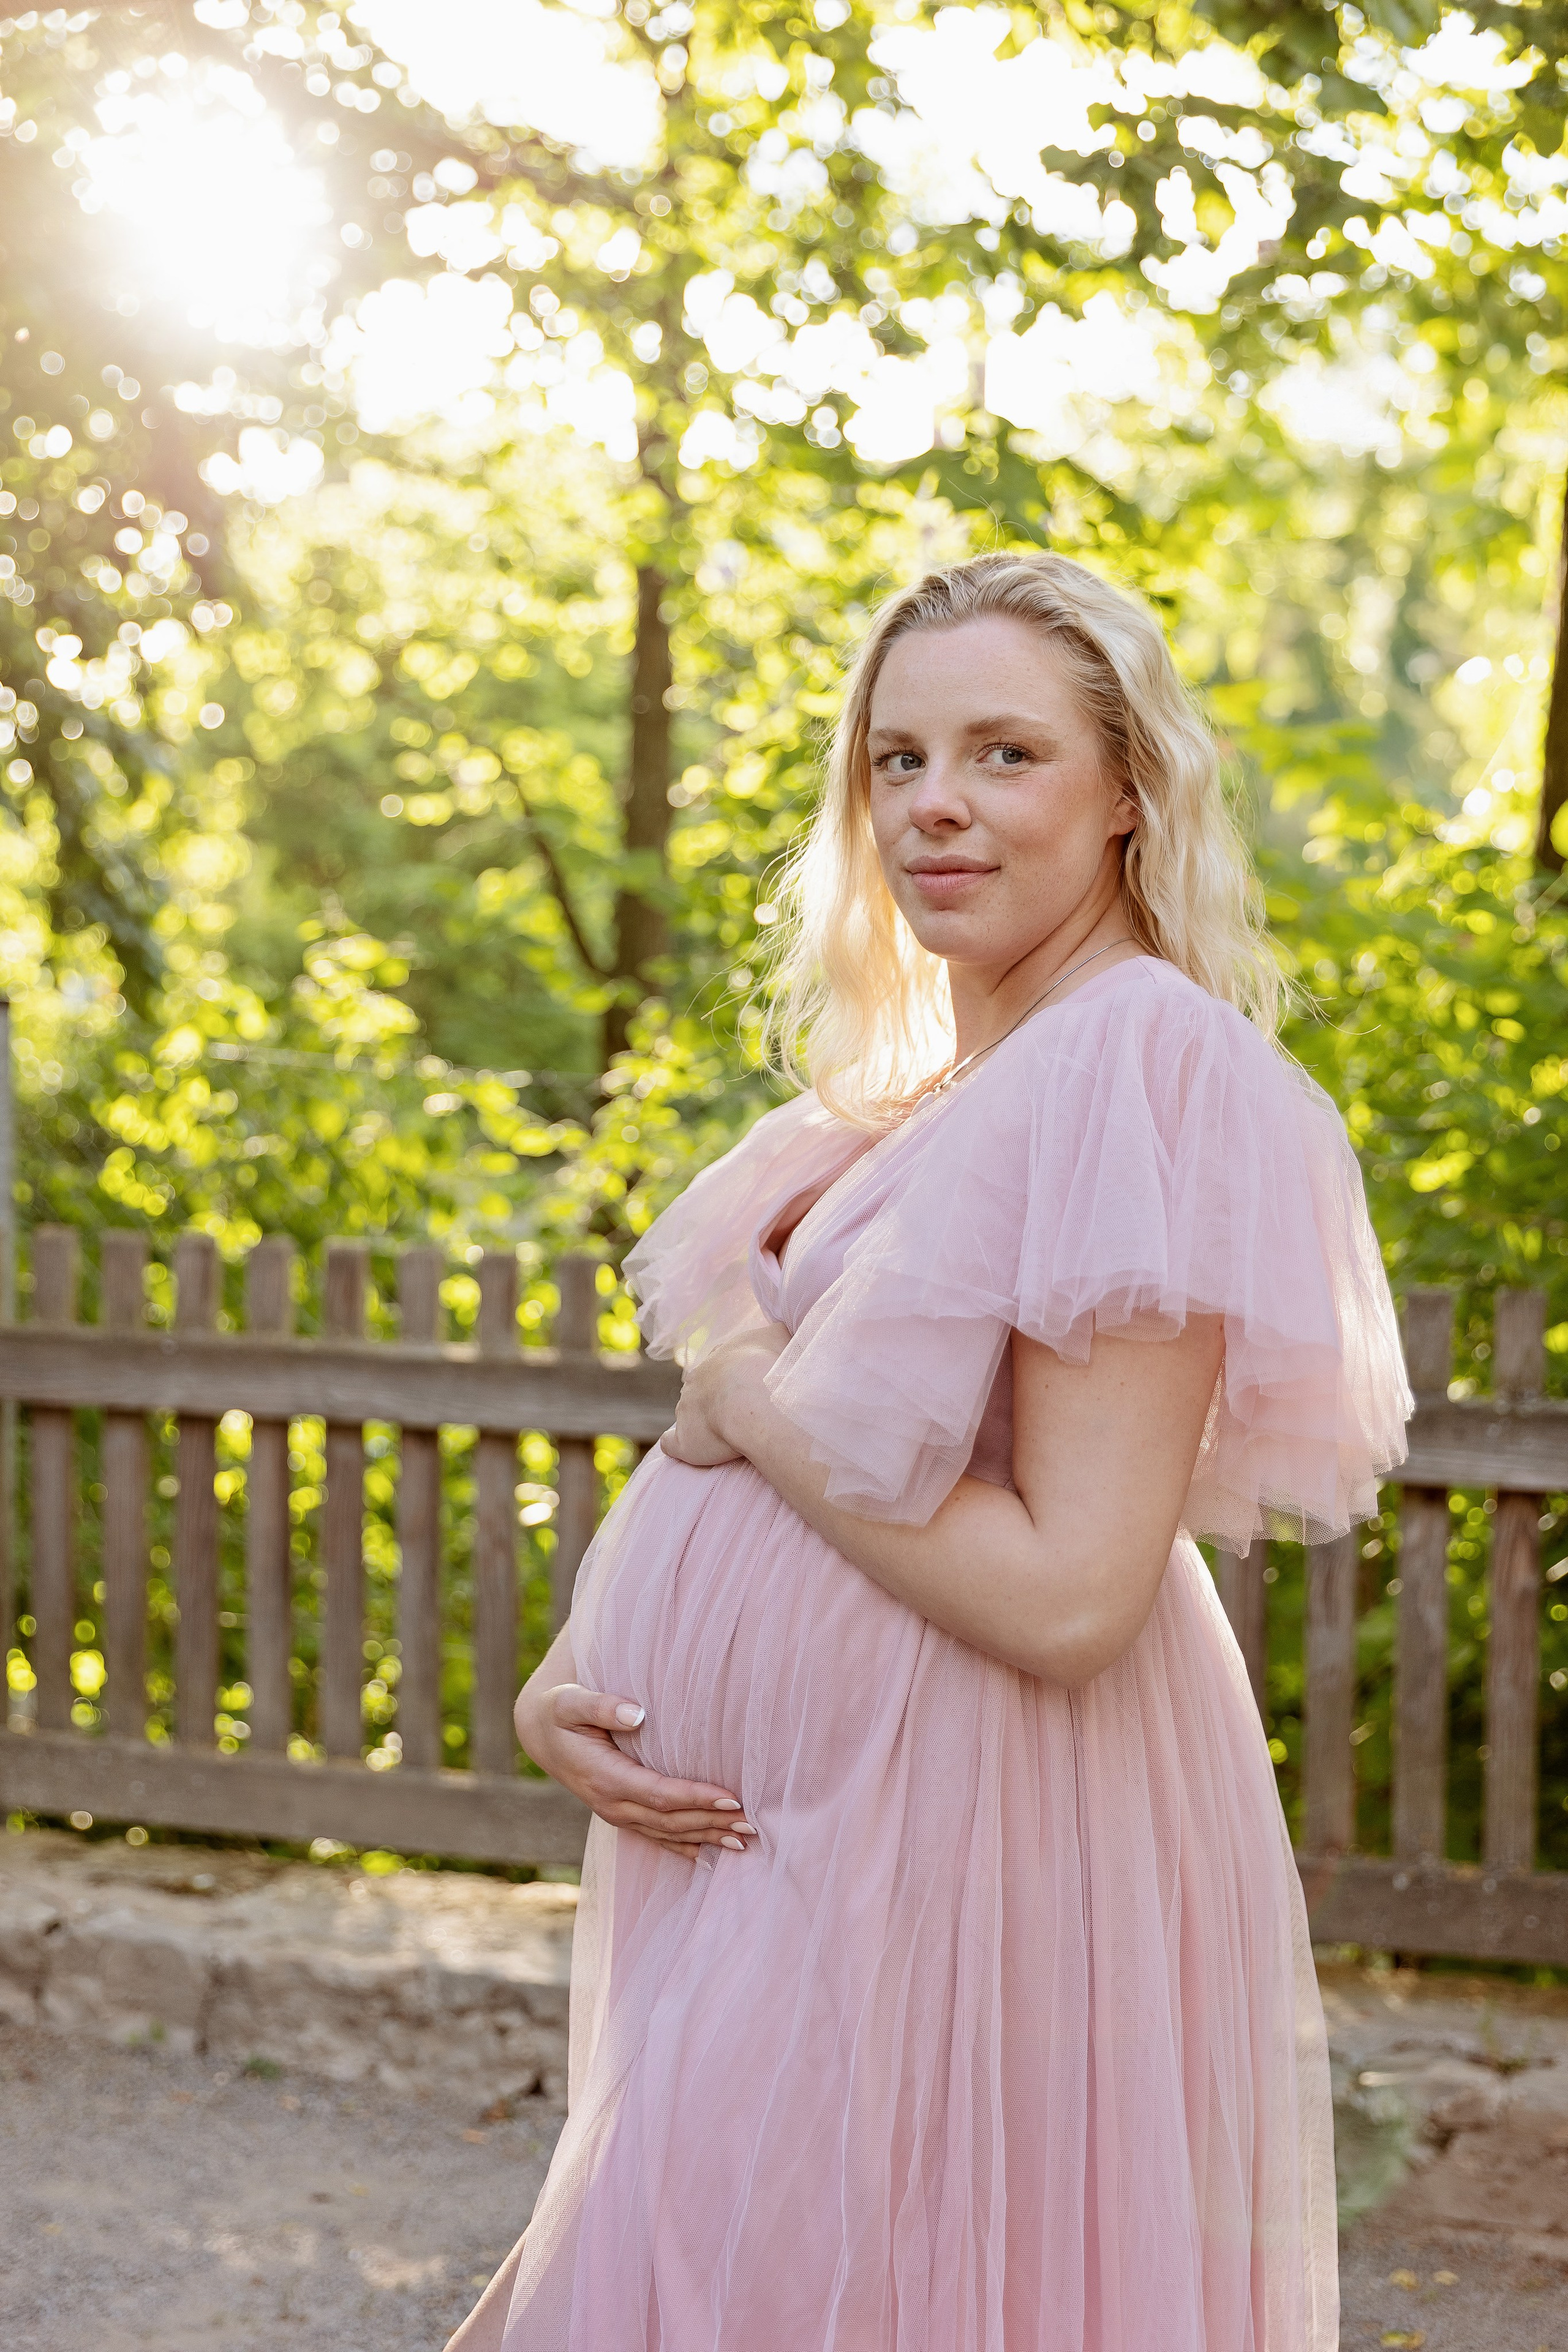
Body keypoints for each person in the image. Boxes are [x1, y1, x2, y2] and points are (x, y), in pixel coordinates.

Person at [451, 551, 1409, 2352]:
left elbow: (1068, 1593)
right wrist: (584, 1669)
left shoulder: (1139, 1069)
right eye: (897, 759)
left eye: (1005, 754)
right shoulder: (911, 1096)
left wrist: (750, 1399)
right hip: (774, 1844)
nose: (936, 805)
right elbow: (737, 1478)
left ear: (1131, 790)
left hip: (949, 1857)